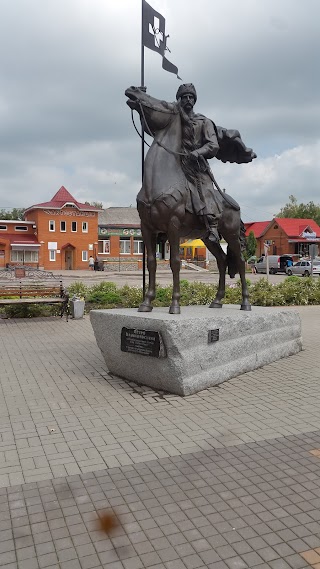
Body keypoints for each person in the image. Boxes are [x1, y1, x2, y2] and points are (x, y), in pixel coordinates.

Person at [175, 83, 221, 243]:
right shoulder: (174, 120)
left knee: (204, 189)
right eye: (184, 97)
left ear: (194, 100)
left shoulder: (204, 121)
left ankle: (212, 223)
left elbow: (213, 145)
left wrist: (198, 152)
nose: (188, 99)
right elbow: (155, 129)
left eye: (191, 97)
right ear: (179, 100)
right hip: (177, 165)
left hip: (196, 166)